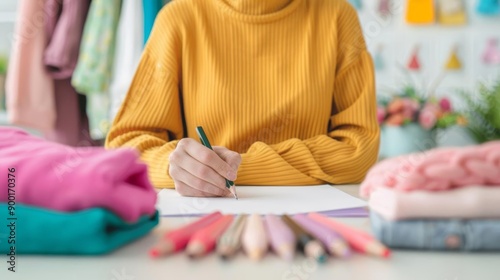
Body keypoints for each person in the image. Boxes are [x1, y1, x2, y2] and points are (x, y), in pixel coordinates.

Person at [105, 0, 380, 197]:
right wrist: (176, 167)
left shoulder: (337, 16)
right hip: (204, 214)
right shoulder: (178, 18)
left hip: (313, 218)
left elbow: (359, 148)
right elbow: (126, 147)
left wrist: (236, 169)